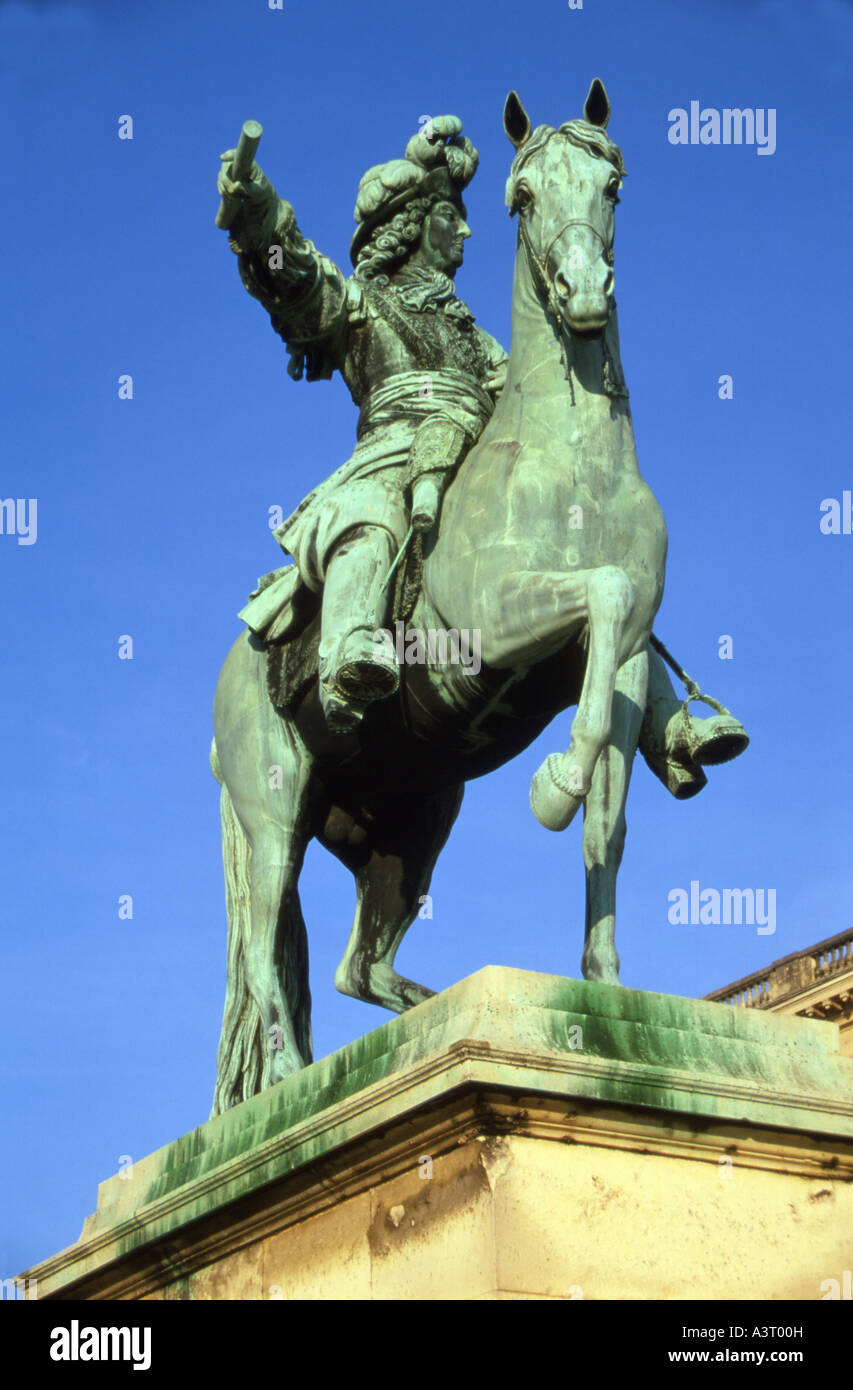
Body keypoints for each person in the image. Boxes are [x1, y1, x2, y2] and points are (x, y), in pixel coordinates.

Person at [217, 115, 747, 790]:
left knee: (587, 552)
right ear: (410, 225)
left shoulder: (476, 338)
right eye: (449, 215)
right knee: (371, 519)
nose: (465, 231)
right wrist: (254, 207)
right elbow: (290, 275)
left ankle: (665, 721)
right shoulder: (359, 308)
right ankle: (351, 649)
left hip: (479, 464)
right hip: (393, 455)